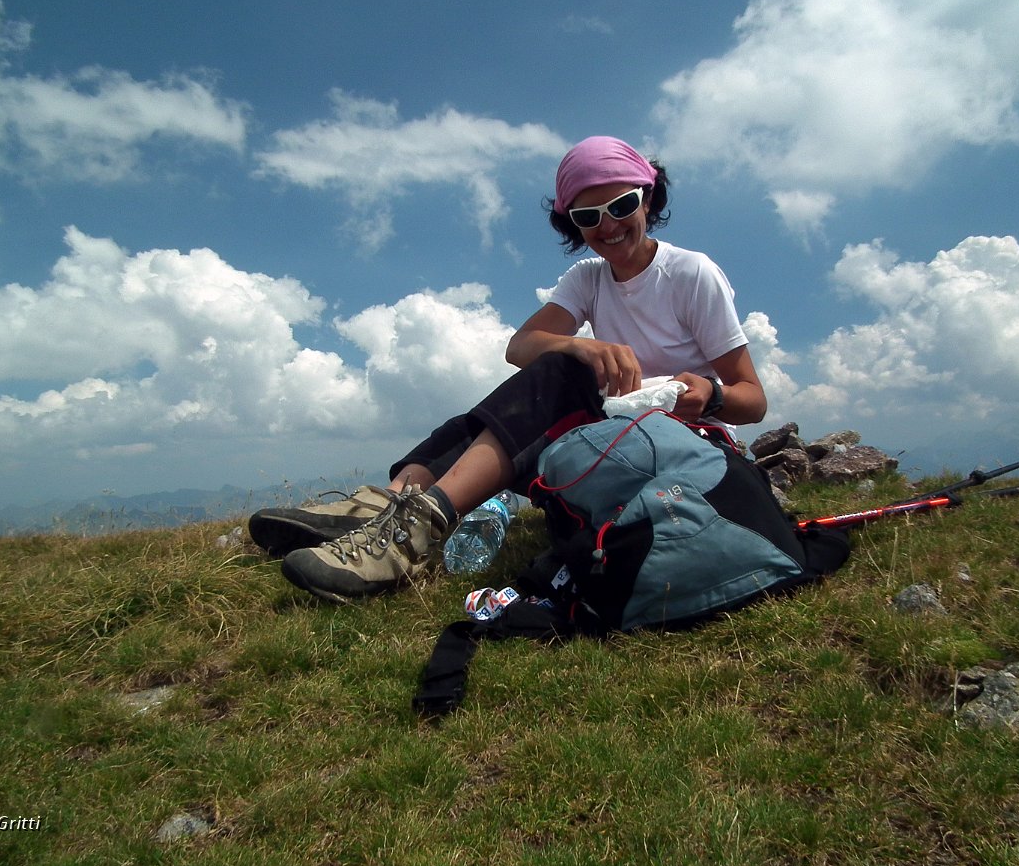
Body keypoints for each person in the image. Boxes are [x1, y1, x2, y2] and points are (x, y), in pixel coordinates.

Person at [249, 136, 769, 602]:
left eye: (621, 205)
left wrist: (712, 394)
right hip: (617, 441)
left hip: (689, 449)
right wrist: (583, 347)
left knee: (557, 379)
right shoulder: (589, 278)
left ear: (648, 197)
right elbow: (520, 345)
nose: (608, 226)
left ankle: (411, 533)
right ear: (573, 224)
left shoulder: (690, 274)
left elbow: (753, 399)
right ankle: (386, 507)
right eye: (588, 217)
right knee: (505, 409)